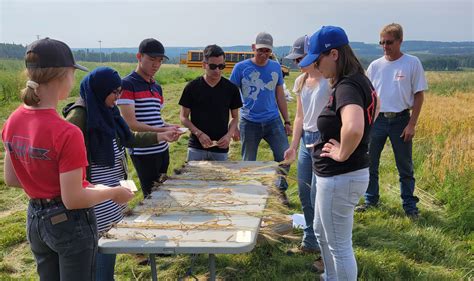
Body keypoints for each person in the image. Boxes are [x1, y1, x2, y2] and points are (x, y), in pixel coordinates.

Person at [2, 38, 134, 281]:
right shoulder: (67, 132)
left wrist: (71, 185)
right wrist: (113, 192)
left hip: (35, 219)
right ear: (64, 76)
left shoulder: (13, 120)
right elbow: (73, 199)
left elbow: (12, 178)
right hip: (69, 225)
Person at [64, 66, 181, 280]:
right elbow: (65, 159)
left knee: (111, 242)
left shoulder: (108, 110)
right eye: (114, 92)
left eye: (120, 92)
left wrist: (161, 136)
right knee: (101, 248)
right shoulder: (79, 116)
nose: (118, 98)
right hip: (94, 196)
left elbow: (129, 138)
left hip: (112, 191)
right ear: (100, 90)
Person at [298, 26, 378, 280]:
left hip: (341, 177)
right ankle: (329, 276)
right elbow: (375, 111)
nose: (317, 67)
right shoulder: (357, 80)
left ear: (333, 54)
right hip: (339, 176)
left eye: (318, 60)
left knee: (339, 246)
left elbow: (354, 127)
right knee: (322, 232)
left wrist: (342, 153)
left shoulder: (347, 86)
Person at [358, 23, 427, 218]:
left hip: (401, 119)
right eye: (382, 42)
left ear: (400, 41)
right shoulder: (375, 66)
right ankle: (371, 199)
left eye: (389, 42)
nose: (385, 46)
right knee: (370, 162)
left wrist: (411, 124)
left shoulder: (412, 63)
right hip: (377, 121)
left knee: (404, 165)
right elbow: (368, 95)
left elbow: (419, 96)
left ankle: (409, 206)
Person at [230, 32, 292, 206]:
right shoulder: (240, 68)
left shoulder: (275, 67)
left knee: (284, 156)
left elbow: (280, 95)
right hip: (249, 122)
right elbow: (232, 97)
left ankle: (280, 189)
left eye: (267, 51)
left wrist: (286, 121)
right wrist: (233, 124)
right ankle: (250, 194)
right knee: (249, 161)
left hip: (273, 121)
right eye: (260, 50)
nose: (264, 54)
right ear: (253, 48)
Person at [283, 36, 331, 254]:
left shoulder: (329, 80)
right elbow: (300, 117)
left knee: (317, 195)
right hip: (305, 142)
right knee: (303, 191)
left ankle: (323, 244)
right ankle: (310, 239)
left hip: (323, 141)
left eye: (300, 58)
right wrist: (293, 146)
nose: (296, 63)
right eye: (295, 59)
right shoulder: (300, 81)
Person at [118, 38, 180, 197]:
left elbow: (155, 118)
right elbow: (131, 123)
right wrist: (162, 130)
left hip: (162, 148)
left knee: (163, 190)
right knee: (151, 195)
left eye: (159, 61)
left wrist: (169, 126)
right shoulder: (127, 84)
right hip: (143, 150)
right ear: (139, 56)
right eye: (152, 60)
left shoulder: (157, 87)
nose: (156, 65)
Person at [179, 44, 242, 161]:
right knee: (193, 178)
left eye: (221, 66)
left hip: (221, 148)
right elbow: (183, 117)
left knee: (219, 179)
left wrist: (228, 136)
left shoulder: (231, 89)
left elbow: (235, 117)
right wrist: (199, 134)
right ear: (204, 65)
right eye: (213, 66)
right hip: (196, 147)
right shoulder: (192, 87)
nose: (217, 70)